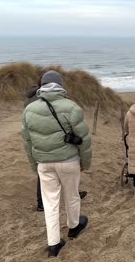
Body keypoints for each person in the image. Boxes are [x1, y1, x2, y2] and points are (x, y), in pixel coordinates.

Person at [22, 70, 92, 257]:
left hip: (44, 163)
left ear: (42, 86)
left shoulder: (29, 110)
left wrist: (33, 165)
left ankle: (54, 244)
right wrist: (85, 163)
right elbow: (84, 139)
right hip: (68, 161)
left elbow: (27, 142)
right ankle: (74, 226)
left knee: (50, 202)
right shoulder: (71, 107)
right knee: (72, 196)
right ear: (60, 85)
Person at [24, 78, 87, 213]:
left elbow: (27, 134)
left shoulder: (32, 99)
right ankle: (46, 202)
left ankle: (42, 203)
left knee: (45, 174)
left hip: (40, 143)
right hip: (57, 143)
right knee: (65, 172)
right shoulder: (42, 99)